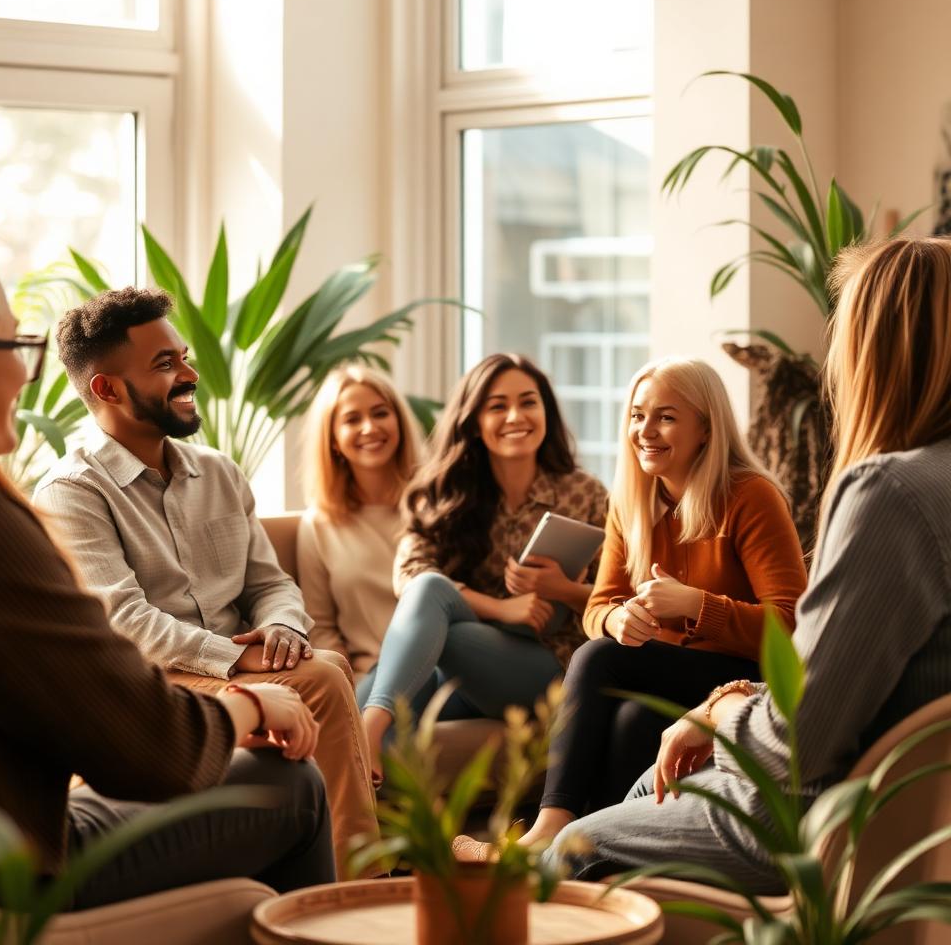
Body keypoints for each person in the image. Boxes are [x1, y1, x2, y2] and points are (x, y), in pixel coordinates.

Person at [0, 227, 334, 909]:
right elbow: (155, 749)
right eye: (18, 346)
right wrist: (248, 700)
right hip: (11, 869)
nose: (29, 376)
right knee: (293, 788)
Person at [545, 237, 951, 893]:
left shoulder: (887, 493)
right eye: (638, 416)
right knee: (644, 759)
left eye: (841, 341)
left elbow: (804, 735)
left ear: (876, 353)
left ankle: (548, 846)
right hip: (905, 793)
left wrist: (718, 707)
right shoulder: (637, 500)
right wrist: (723, 696)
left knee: (574, 849)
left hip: (831, 810)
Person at [32, 288, 376, 874]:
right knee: (320, 676)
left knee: (320, 667)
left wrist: (281, 629)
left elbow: (269, 582)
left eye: (183, 356)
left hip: (226, 672)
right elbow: (128, 624)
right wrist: (239, 659)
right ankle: (361, 886)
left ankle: (315, 873)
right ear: (107, 389)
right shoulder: (72, 494)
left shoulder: (219, 472)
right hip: (151, 687)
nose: (190, 373)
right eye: (166, 364)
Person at [477, 357, 806, 855]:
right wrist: (616, 617)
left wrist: (697, 604)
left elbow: (792, 625)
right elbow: (599, 606)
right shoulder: (632, 504)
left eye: (666, 417)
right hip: (670, 677)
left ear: (705, 428)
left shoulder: (750, 496)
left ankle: (549, 828)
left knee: (596, 657)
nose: (645, 431)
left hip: (744, 679)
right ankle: (588, 856)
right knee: (631, 716)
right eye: (636, 416)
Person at [361, 352, 609, 777]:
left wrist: (562, 589)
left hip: (548, 666)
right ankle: (393, 810)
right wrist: (500, 608)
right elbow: (411, 575)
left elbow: (622, 599)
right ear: (474, 421)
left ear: (545, 411)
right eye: (498, 406)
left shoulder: (585, 494)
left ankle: (368, 735)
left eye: (529, 402)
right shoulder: (440, 492)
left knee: (444, 639)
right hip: (467, 674)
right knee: (376, 681)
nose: (516, 416)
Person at [297, 364, 421, 700]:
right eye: (352, 419)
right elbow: (321, 629)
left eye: (381, 413)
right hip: (374, 681)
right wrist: (349, 690)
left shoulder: (434, 506)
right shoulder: (318, 525)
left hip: (439, 669)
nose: (370, 427)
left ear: (399, 423)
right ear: (333, 439)